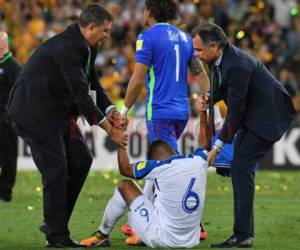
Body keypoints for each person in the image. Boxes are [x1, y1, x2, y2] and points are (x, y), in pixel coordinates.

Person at [6, 4, 127, 248]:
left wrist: (111, 110)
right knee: (57, 168)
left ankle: (54, 220)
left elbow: (94, 86)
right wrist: (109, 130)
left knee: (81, 160)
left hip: (55, 113)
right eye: (104, 30)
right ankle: (57, 236)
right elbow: (81, 96)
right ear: (91, 28)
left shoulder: (86, 46)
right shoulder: (69, 48)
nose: (107, 35)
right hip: (34, 113)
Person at [193, 22, 296, 248]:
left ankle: (242, 235)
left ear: (215, 47)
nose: (196, 54)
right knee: (240, 168)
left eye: (199, 49)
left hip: (269, 116)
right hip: (254, 114)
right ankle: (243, 234)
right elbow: (224, 89)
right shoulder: (220, 60)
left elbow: (236, 112)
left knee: (240, 166)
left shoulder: (236, 65)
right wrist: (209, 97)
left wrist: (217, 147)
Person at [80, 139, 208, 248]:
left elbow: (124, 169)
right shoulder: (197, 161)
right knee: (153, 181)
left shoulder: (159, 167)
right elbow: (205, 144)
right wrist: (203, 114)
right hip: (191, 240)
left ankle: (102, 235)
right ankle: (140, 232)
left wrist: (121, 143)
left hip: (162, 239)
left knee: (125, 185)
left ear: (154, 159)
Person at [120, 0, 209, 152]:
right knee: (158, 160)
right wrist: (209, 101)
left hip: (160, 111)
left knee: (167, 164)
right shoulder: (185, 38)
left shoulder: (146, 37)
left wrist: (124, 111)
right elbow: (200, 73)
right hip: (182, 112)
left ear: (148, 12)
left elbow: (137, 80)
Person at [0, 31, 22, 202]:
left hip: (6, 118)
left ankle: (5, 191)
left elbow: (20, 94)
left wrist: (12, 115)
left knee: (8, 155)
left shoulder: (14, 67)